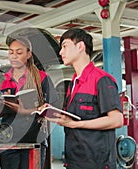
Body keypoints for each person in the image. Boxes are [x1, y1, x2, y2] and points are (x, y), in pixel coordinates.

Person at [46, 28, 123, 169]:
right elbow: (75, 118)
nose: (60, 52)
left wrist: (76, 124)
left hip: (96, 163)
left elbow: (116, 120)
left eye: (64, 46)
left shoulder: (101, 80)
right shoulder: (73, 83)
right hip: (74, 160)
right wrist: (53, 114)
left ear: (80, 46)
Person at [0, 33, 58, 169]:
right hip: (9, 138)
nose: (14, 56)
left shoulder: (42, 78)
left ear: (29, 54)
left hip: (34, 137)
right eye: (11, 52)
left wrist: (24, 111)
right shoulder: (2, 79)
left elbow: (51, 110)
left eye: (19, 52)